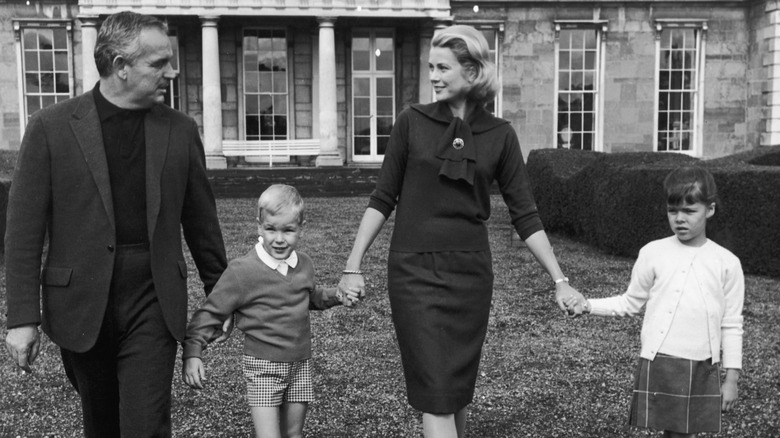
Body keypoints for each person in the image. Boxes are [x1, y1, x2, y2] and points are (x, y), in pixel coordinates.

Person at [337, 25, 585, 438]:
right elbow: (383, 198)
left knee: (455, 388)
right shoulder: (410, 122)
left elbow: (525, 215)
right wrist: (352, 265)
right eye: (430, 67)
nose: (432, 76)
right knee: (435, 391)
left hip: (470, 276)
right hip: (413, 273)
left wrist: (560, 280)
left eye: (442, 68)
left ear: (472, 72)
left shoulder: (501, 135)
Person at [3, 11, 228, 437]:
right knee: (101, 424)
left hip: (154, 297)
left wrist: (223, 296)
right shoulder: (50, 129)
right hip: (81, 302)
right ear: (120, 65)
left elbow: (202, 223)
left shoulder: (181, 131)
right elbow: (23, 232)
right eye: (159, 63)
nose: (172, 72)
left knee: (146, 424)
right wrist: (21, 318)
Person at [566, 166, 744, 438]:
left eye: (689, 211)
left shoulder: (728, 263)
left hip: (702, 364)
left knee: (683, 434)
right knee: (672, 433)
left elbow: (731, 324)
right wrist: (588, 305)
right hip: (661, 358)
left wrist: (731, 379)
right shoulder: (652, 253)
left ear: (710, 209)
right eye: (673, 211)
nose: (679, 219)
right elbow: (629, 303)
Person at [182, 184, 359, 438]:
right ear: (259, 226)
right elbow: (210, 312)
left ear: (301, 228)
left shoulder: (305, 263)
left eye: (288, 230)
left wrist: (338, 295)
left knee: (293, 435)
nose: (279, 238)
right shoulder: (241, 271)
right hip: (263, 367)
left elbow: (311, 297)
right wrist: (193, 351)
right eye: (270, 229)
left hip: (300, 364)